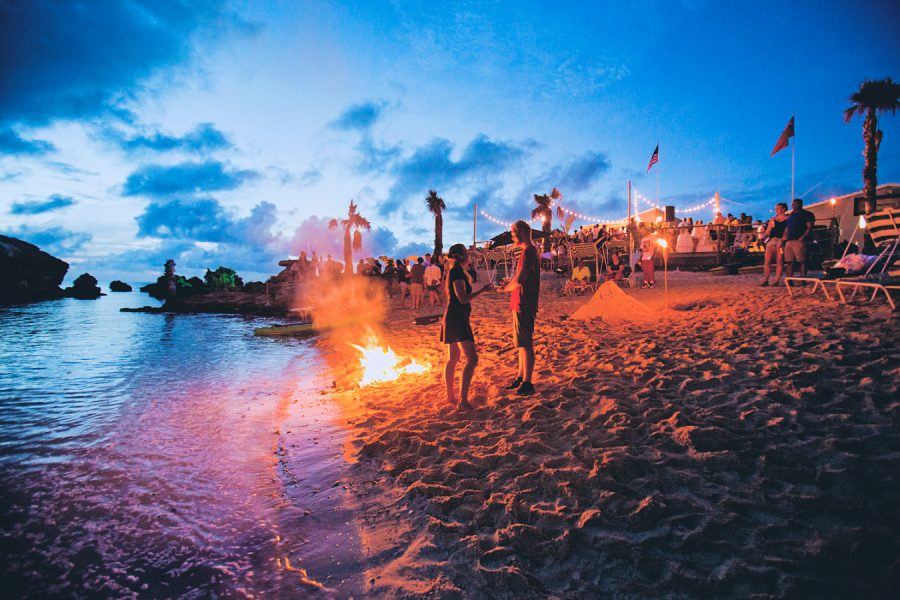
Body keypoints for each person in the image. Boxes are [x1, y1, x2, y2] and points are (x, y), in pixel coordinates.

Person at [440, 244, 492, 409]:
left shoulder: (456, 272)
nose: (470, 256)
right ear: (462, 256)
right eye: (467, 253)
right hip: (457, 318)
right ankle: (462, 400)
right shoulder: (456, 272)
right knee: (472, 359)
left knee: (453, 358)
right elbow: (462, 298)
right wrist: (482, 291)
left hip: (454, 317)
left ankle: (450, 397)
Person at [503, 220, 540, 396]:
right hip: (519, 302)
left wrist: (505, 288)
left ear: (521, 233)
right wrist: (508, 284)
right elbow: (518, 277)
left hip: (525, 303)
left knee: (526, 342)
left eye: (513, 232)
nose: (511, 236)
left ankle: (527, 382)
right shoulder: (526, 252)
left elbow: (521, 279)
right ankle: (520, 376)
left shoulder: (530, 252)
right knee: (520, 343)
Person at [783, 198, 816, 278]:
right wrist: (785, 238)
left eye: (794, 204)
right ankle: (789, 279)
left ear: (799, 204)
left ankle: (803, 279)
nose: (793, 206)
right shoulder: (791, 215)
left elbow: (809, 227)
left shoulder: (806, 214)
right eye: (792, 204)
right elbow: (787, 228)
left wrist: (802, 238)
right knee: (789, 261)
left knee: (802, 261)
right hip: (790, 240)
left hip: (799, 240)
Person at [760, 202, 789, 286]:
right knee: (767, 260)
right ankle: (766, 279)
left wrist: (782, 241)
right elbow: (768, 231)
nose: (776, 210)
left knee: (779, 261)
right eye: (776, 209)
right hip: (772, 240)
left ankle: (776, 280)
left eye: (778, 208)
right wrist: (764, 233)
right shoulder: (773, 219)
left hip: (781, 240)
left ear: (783, 209)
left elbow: (786, 232)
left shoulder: (787, 219)